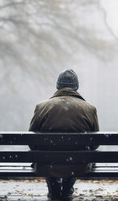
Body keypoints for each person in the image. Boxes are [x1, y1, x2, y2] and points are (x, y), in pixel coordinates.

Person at [29, 69, 100, 200]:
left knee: (49, 154)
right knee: (77, 154)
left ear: (57, 86)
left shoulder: (41, 107)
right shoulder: (90, 109)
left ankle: (54, 190)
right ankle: (67, 190)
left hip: (47, 163)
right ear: (76, 87)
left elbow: (32, 143)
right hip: (78, 164)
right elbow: (94, 144)